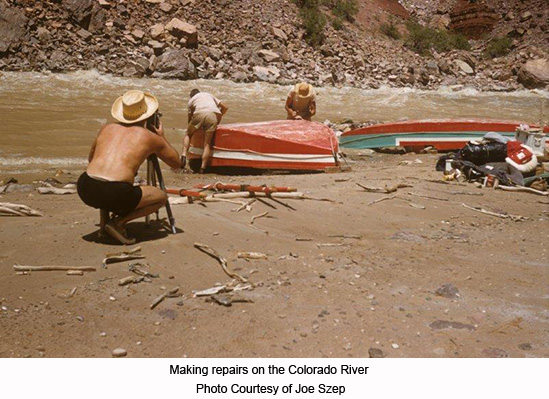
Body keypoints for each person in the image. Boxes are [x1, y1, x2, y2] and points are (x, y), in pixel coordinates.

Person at [77, 90, 181, 245]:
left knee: (105, 179)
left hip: (85, 187)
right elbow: (176, 163)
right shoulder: (150, 138)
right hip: (115, 193)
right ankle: (118, 223)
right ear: (148, 115)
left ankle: (103, 226)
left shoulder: (106, 128)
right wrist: (161, 137)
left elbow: (91, 159)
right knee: (160, 197)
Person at [181, 89, 228, 173]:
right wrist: (219, 116)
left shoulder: (192, 99)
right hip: (213, 115)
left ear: (192, 95)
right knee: (207, 144)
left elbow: (190, 115)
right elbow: (225, 107)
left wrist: (190, 126)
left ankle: (184, 155)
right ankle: (203, 168)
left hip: (199, 113)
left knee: (188, 134)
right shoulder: (209, 94)